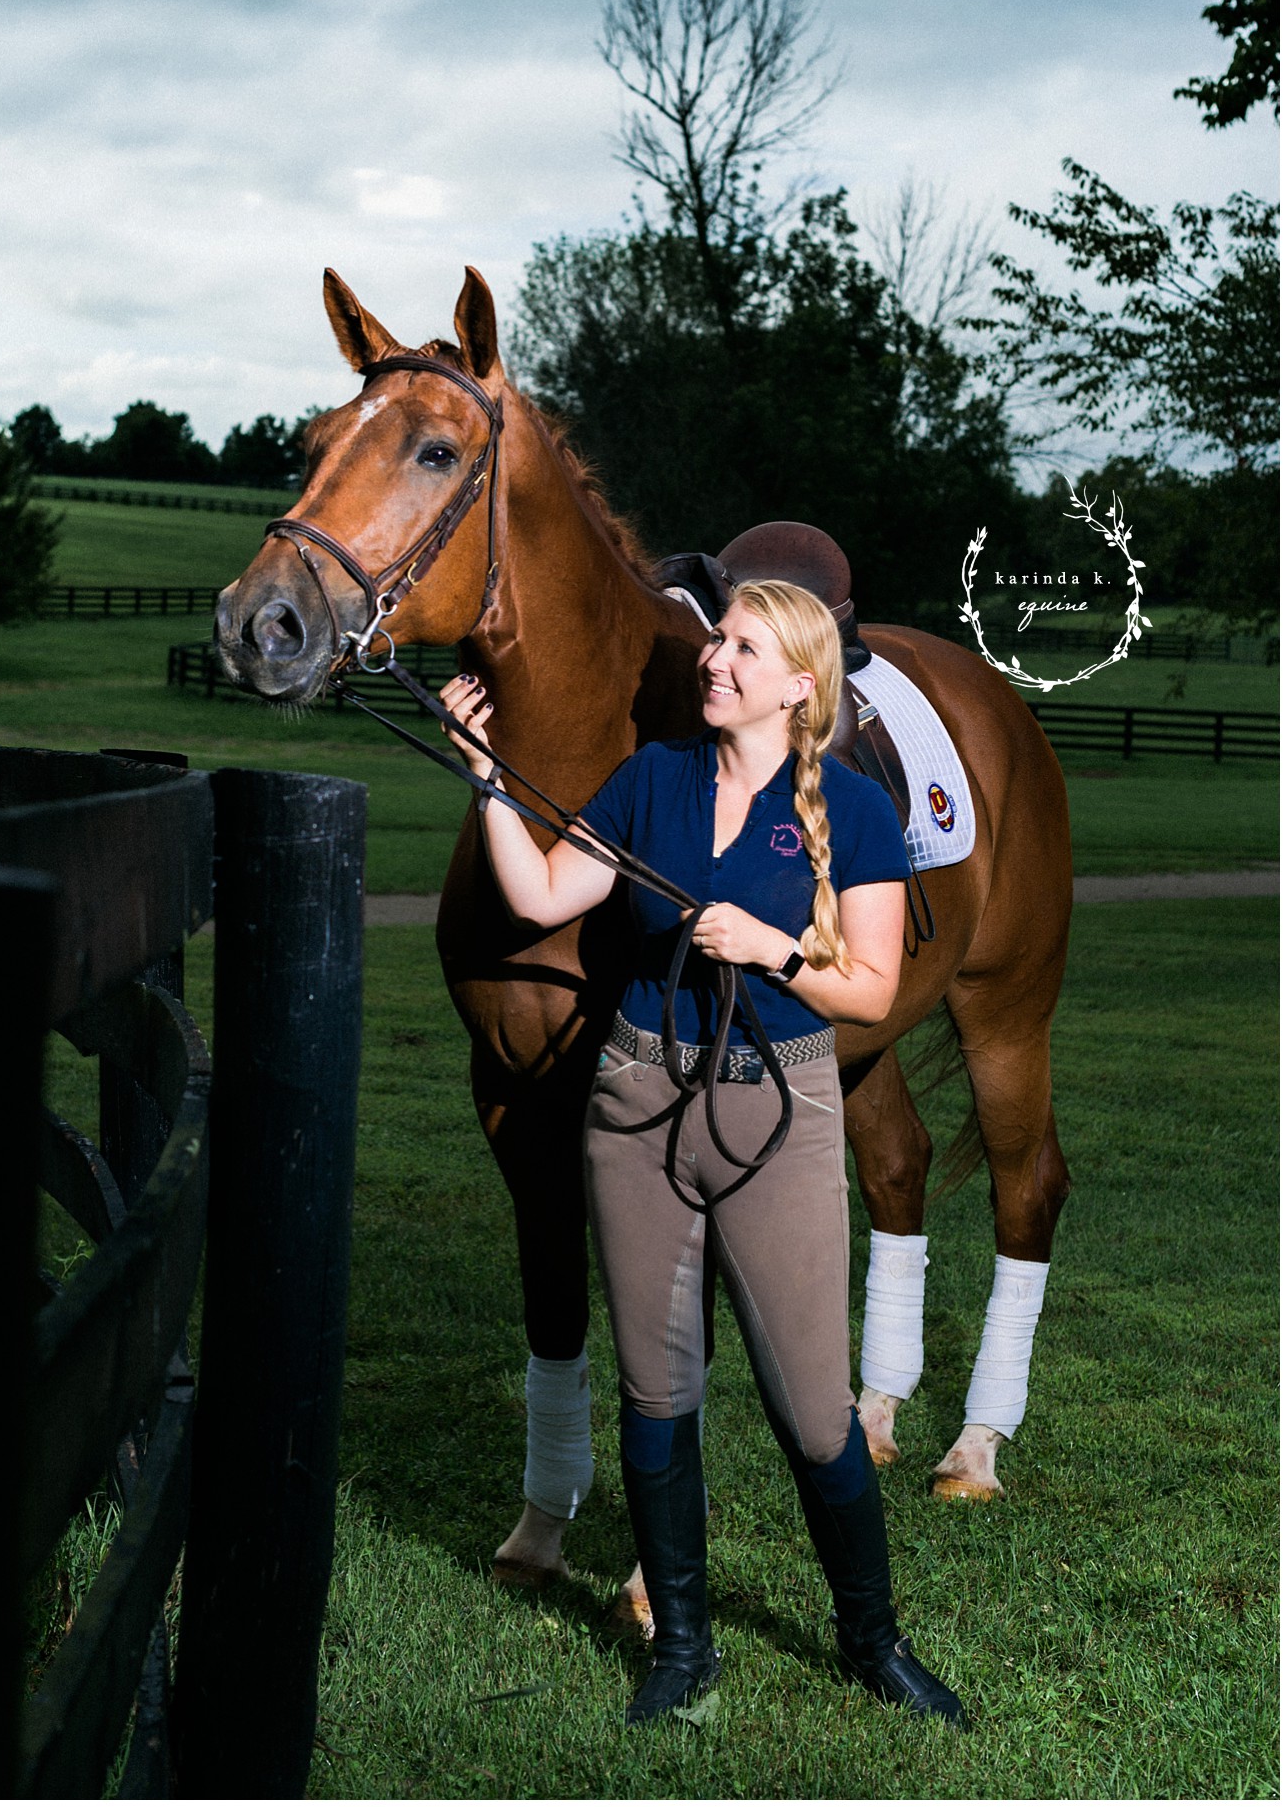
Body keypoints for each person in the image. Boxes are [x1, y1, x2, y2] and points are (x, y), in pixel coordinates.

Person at [442, 579, 968, 1732]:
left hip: (775, 1113)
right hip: (636, 1106)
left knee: (814, 1412)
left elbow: (872, 988)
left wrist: (775, 948)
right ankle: (680, 1648)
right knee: (656, 1390)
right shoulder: (650, 780)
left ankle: (872, 1642)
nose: (712, 659)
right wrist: (484, 775)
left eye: (741, 649)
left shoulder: (854, 812)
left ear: (796, 686)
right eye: (716, 639)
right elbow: (538, 895)